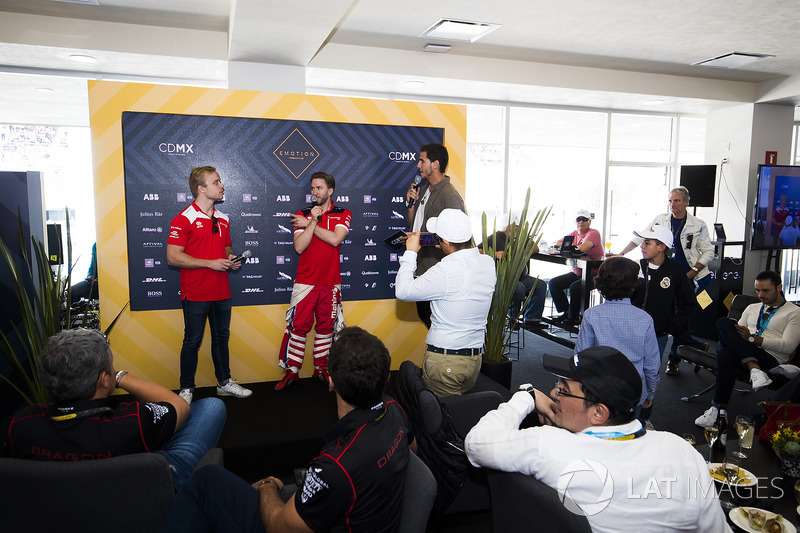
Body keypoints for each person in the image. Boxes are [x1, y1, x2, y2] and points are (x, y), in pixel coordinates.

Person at [161, 326, 413, 533]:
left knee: (204, 482)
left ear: (331, 382)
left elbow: (279, 526)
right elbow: (410, 450)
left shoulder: (337, 467)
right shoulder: (394, 410)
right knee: (209, 480)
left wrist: (268, 486)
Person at [464, 346, 731, 533]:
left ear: (599, 413)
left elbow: (476, 444)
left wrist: (527, 397)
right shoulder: (682, 451)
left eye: (564, 390)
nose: (554, 393)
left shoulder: (550, 446)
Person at [1, 328, 227, 491]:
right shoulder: (133, 420)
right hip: (138, 491)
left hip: (59, 504)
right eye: (110, 368)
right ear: (103, 380)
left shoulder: (20, 424)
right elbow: (178, 404)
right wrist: (120, 377)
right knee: (211, 406)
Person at [167, 165, 252, 404]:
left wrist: (231, 260)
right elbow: (173, 257)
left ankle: (224, 383)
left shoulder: (223, 218)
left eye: (220, 181)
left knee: (221, 338)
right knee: (192, 341)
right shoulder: (183, 219)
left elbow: (225, 249)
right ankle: (186, 389)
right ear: (201, 189)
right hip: (195, 292)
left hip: (221, 291)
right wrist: (209, 263)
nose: (222, 185)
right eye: (216, 182)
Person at [395, 208, 496, 397]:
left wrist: (410, 252)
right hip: (473, 361)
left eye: (438, 238)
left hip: (446, 361)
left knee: (442, 420)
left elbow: (402, 291)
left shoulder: (444, 271)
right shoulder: (488, 263)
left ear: (446, 241)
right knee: (461, 416)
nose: (436, 241)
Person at [275, 171, 351, 391]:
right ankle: (292, 372)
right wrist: (313, 220)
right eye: (312, 188)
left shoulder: (343, 213)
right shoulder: (303, 213)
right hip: (305, 281)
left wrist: (310, 223)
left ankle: (321, 368)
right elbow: (300, 246)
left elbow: (336, 239)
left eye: (319, 188)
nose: (315, 192)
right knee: (298, 327)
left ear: (330, 191)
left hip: (330, 283)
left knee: (327, 328)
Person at [694, 271, 800, 427]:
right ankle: (753, 368)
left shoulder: (794, 312)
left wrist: (753, 339)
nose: (761, 295)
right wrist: (742, 335)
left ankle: (717, 410)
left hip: (771, 358)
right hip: (743, 351)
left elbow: (788, 345)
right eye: (757, 290)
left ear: (779, 287)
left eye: (765, 290)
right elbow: (735, 334)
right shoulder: (752, 307)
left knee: (727, 352)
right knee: (724, 323)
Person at [575, 256, 660, 422]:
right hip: (633, 390)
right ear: (634, 285)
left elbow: (581, 355)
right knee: (630, 434)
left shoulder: (592, 315)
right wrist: (650, 393)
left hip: (599, 388)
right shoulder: (645, 319)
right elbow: (651, 365)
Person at [405, 143, 466, 328]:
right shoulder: (425, 188)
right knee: (426, 318)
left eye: (422, 160)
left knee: (436, 322)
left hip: (436, 272)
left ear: (435, 164)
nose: (418, 165)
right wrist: (410, 204)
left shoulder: (450, 196)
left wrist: (423, 238)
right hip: (421, 268)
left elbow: (456, 240)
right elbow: (413, 223)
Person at [615, 186, 714, 293]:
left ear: (686, 202)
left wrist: (693, 271)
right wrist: (621, 254)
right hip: (667, 274)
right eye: (670, 201)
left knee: (689, 306)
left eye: (677, 201)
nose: (672, 204)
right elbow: (640, 238)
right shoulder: (660, 219)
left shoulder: (698, 224)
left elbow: (708, 251)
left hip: (691, 275)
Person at [630, 225, 698, 376]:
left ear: (661, 247)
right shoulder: (635, 267)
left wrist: (670, 323)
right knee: (629, 372)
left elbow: (688, 303)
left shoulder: (675, 272)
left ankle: (648, 400)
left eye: (647, 242)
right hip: (631, 331)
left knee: (650, 373)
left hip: (657, 335)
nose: (642, 246)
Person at [478, 212, 546, 329]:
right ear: (507, 227)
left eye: (518, 227)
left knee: (540, 285)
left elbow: (536, 248)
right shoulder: (495, 237)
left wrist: (522, 251)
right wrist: (495, 254)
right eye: (515, 227)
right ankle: (511, 318)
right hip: (503, 277)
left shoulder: (521, 238)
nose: (518, 229)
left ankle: (532, 318)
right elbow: (477, 251)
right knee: (518, 288)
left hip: (521, 275)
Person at [548, 209, 603, 327]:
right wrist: (572, 246)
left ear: (589, 222)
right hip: (578, 272)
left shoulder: (593, 233)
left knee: (575, 288)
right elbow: (558, 242)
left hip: (595, 274)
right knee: (553, 283)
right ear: (575, 222)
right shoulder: (574, 233)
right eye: (579, 219)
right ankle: (567, 312)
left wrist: (571, 246)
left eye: (584, 219)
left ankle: (574, 318)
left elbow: (582, 249)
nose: (581, 222)